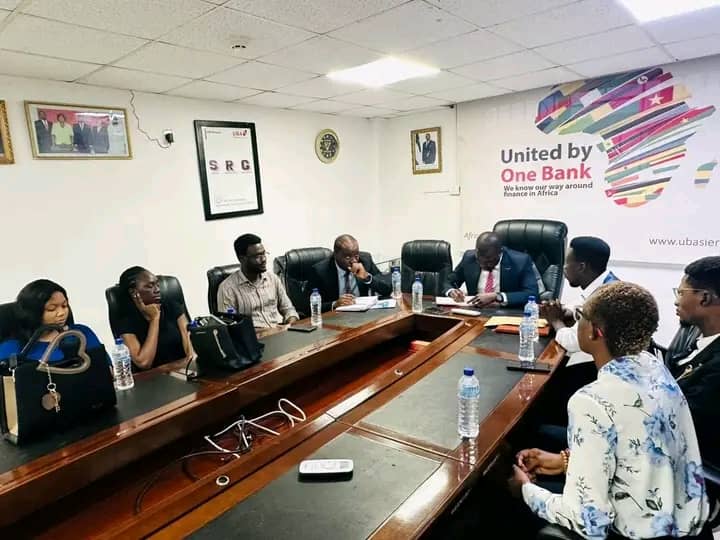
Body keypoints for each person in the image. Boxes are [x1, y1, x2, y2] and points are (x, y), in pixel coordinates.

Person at [511, 282, 710, 539]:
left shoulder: (591, 401)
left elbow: (588, 522)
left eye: (580, 316)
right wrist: (566, 461)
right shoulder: (653, 367)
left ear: (595, 332)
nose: (577, 323)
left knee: (502, 504)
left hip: (634, 534)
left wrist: (525, 490)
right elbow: (636, 449)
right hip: (685, 524)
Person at [539, 237, 619, 428]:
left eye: (567, 264)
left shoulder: (601, 298)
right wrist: (566, 311)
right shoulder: (608, 282)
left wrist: (556, 320)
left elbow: (572, 342)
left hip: (592, 373)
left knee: (540, 392)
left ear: (581, 267)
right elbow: (581, 305)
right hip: (601, 367)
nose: (564, 269)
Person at [673, 256, 720, 466]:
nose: (676, 301)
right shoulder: (699, 343)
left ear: (704, 298)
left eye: (681, 293)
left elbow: (680, 422)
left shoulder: (717, 366)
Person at [0, 280, 105, 363]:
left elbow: (106, 370)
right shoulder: (13, 347)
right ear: (33, 312)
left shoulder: (81, 333)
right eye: (52, 309)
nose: (62, 313)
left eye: (64, 306)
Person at [115, 267, 193, 371]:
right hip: (153, 378)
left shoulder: (171, 306)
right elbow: (144, 362)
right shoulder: (126, 322)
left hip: (183, 370)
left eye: (157, 284)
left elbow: (190, 343)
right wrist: (154, 319)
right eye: (150, 286)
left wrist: (182, 364)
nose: (157, 290)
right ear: (134, 292)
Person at [217, 234, 299, 328]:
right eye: (257, 256)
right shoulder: (227, 289)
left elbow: (289, 310)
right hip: (254, 336)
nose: (263, 259)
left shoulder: (272, 279)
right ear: (242, 259)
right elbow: (230, 327)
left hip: (279, 331)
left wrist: (290, 324)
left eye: (264, 253)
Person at [443, 231, 538, 308]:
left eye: (489, 261)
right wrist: (451, 291)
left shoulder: (520, 261)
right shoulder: (469, 257)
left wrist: (497, 296)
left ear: (500, 252)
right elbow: (449, 281)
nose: (483, 265)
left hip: (505, 313)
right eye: (480, 260)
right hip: (474, 311)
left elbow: (532, 294)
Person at [309, 234, 392, 312]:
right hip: (336, 316)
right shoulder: (320, 271)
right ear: (335, 255)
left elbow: (387, 290)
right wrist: (334, 304)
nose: (354, 261)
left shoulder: (365, 261)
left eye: (356, 256)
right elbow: (308, 307)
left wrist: (367, 277)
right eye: (348, 257)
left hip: (362, 313)